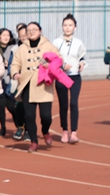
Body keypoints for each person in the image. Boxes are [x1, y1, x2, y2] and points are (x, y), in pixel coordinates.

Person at [10, 22, 59, 152]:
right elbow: (15, 63)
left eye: (34, 29)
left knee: (46, 116)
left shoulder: (48, 45)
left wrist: (50, 66)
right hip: (27, 84)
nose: (31, 32)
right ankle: (33, 141)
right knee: (29, 116)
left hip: (44, 85)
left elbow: (58, 59)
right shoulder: (22, 48)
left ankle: (45, 131)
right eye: (29, 30)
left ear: (40, 31)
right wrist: (15, 73)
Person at [52, 14, 86, 144]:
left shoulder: (79, 43)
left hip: (75, 76)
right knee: (63, 104)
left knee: (73, 103)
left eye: (70, 25)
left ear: (75, 27)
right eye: (65, 25)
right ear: (62, 27)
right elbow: (52, 58)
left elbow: (83, 57)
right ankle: (65, 130)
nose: (67, 28)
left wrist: (82, 63)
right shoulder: (56, 42)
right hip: (61, 76)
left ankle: (74, 132)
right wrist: (62, 65)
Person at [0, 28, 19, 137]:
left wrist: (9, 64)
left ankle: (19, 125)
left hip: (10, 81)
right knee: (1, 105)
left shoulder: (13, 48)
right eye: (3, 35)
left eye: (8, 35)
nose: (6, 37)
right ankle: (3, 128)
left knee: (11, 107)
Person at [12, 24, 29, 141]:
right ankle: (20, 126)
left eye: (25, 35)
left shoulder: (36, 48)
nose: (23, 38)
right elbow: (12, 64)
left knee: (29, 107)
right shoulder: (15, 49)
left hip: (31, 81)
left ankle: (28, 130)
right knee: (18, 106)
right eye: (21, 36)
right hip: (18, 82)